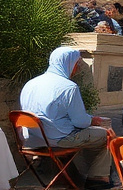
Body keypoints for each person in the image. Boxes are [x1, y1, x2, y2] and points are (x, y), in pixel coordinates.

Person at [20, 47, 115, 190]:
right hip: (57, 139)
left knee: (88, 134)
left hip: (33, 138)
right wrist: (94, 120)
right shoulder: (68, 87)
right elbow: (81, 122)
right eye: (76, 64)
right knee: (105, 135)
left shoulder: (31, 84)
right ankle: (98, 178)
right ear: (69, 64)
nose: (76, 69)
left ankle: (75, 174)